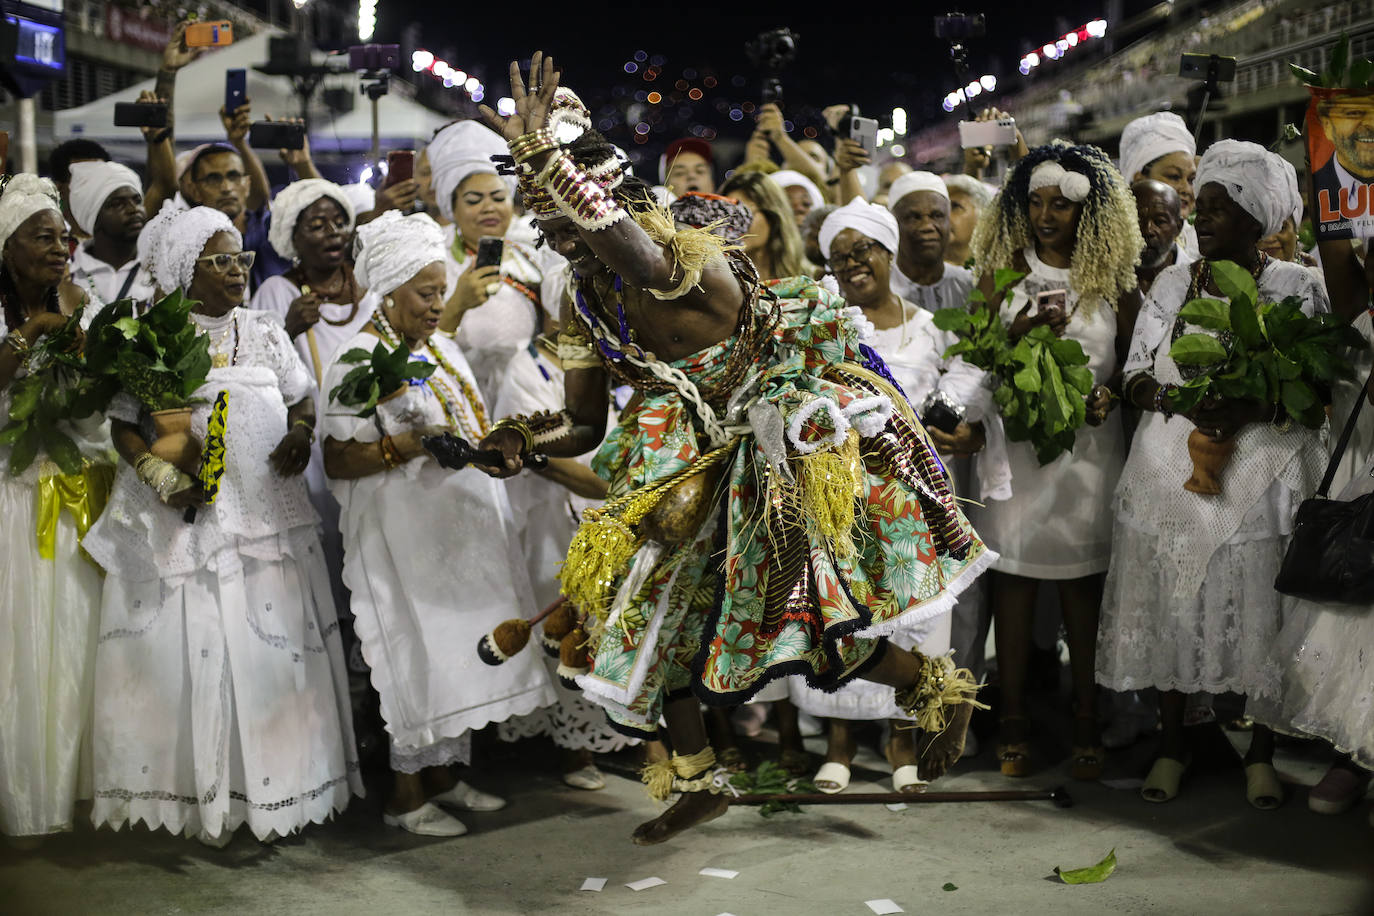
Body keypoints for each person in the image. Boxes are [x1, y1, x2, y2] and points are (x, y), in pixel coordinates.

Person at [475, 53, 990, 845]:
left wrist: (547, 158)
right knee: (648, 614)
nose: (549, 232)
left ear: (599, 196)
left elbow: (630, 251)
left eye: (557, 212)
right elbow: (584, 427)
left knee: (813, 632)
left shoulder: (677, 256)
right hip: (685, 463)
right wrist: (519, 437)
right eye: (540, 221)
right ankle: (697, 776)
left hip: (777, 449)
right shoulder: (585, 296)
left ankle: (934, 689)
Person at [83, 207, 361, 847]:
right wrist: (157, 474)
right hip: (187, 519)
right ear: (187, 271)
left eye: (241, 258)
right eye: (220, 261)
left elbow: (300, 392)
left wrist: (300, 430)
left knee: (266, 647)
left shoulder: (265, 329)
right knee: (199, 637)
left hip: (266, 517)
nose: (238, 270)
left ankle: (274, 786)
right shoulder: (152, 336)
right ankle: (196, 795)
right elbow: (125, 424)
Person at [1097, 141, 1330, 809]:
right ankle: (1173, 743)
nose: (1203, 222)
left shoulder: (1299, 288)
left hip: (1263, 467)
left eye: (1220, 212)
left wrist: (1256, 404)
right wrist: (1181, 401)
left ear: (1258, 220)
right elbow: (1135, 373)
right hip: (1172, 462)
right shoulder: (1174, 281)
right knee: (1175, 601)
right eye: (1202, 208)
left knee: (1258, 608)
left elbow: (1317, 385)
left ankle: (1260, 752)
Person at [321, 211, 555, 836]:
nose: (437, 304)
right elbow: (338, 459)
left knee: (455, 652)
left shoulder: (439, 347)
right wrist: (413, 447)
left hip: (458, 537)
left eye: (440, 289)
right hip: (401, 540)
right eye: (426, 293)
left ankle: (447, 776)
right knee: (412, 652)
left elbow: (467, 424)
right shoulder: (356, 359)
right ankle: (404, 795)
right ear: (390, 293)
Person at [791, 200, 994, 794]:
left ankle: (902, 737)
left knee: (913, 616)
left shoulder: (926, 328)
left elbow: (963, 388)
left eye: (865, 251)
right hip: (839, 492)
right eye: (840, 255)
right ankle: (839, 742)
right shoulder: (816, 327)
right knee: (845, 615)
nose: (854, 264)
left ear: (888, 254)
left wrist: (953, 422)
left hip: (913, 494)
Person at [968, 141, 1143, 780]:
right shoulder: (1001, 269)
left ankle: (1087, 715)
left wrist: (1110, 392)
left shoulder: (1115, 278)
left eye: (1061, 207)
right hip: (1018, 447)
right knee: (1012, 577)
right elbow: (976, 354)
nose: (1046, 216)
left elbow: (1135, 362)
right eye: (1035, 203)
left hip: (1091, 449)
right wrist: (1016, 336)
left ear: (1089, 212)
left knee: (1082, 583)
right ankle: (1012, 716)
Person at [0, 175, 113, 839]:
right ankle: (23, 787)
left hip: (75, 493)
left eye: (63, 236)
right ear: (7, 247)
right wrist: (30, 336)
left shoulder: (83, 300)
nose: (60, 247)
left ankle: (78, 783)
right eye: (42, 237)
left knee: (76, 642)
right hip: (12, 499)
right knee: (20, 645)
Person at [493, 328, 638, 791]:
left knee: (622, 623)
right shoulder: (525, 368)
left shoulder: (607, 357)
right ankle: (573, 746)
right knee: (564, 627)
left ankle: (629, 734)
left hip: (612, 509)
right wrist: (609, 491)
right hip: (555, 517)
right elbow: (543, 451)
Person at [428, 119, 568, 399]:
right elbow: (418, 346)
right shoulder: (435, 264)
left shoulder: (532, 255)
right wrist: (457, 305)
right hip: (458, 394)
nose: (488, 208)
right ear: (452, 207)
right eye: (473, 200)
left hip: (526, 396)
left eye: (497, 197)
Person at [67, 161, 156, 309]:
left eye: (137, 200)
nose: (133, 209)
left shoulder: (159, 269)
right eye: (118, 204)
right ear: (94, 219)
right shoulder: (69, 274)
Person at [885, 171, 974, 313]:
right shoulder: (882, 292)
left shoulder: (970, 285)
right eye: (914, 217)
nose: (927, 226)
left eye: (937, 216)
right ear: (893, 223)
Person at [1119, 112, 1198, 255]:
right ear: (1139, 179)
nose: (1186, 188)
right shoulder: (1111, 246)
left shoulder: (1202, 245)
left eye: (1191, 179)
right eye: (1174, 176)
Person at [717, 170, 808, 281]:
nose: (736, 224)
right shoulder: (718, 282)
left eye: (745, 213)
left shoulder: (813, 277)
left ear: (773, 216)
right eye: (728, 216)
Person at [1132, 178, 1190, 295]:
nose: (1148, 231)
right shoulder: (1102, 279)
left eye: (1160, 221)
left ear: (1178, 227)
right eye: (1137, 220)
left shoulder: (1200, 280)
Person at [46, 139, 111, 236]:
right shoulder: (46, 244)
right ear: (59, 189)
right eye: (83, 182)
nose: (95, 189)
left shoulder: (128, 241)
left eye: (101, 180)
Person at [942, 174, 994, 269]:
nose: (942, 215)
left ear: (983, 217)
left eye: (955, 206)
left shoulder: (999, 273)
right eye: (940, 208)